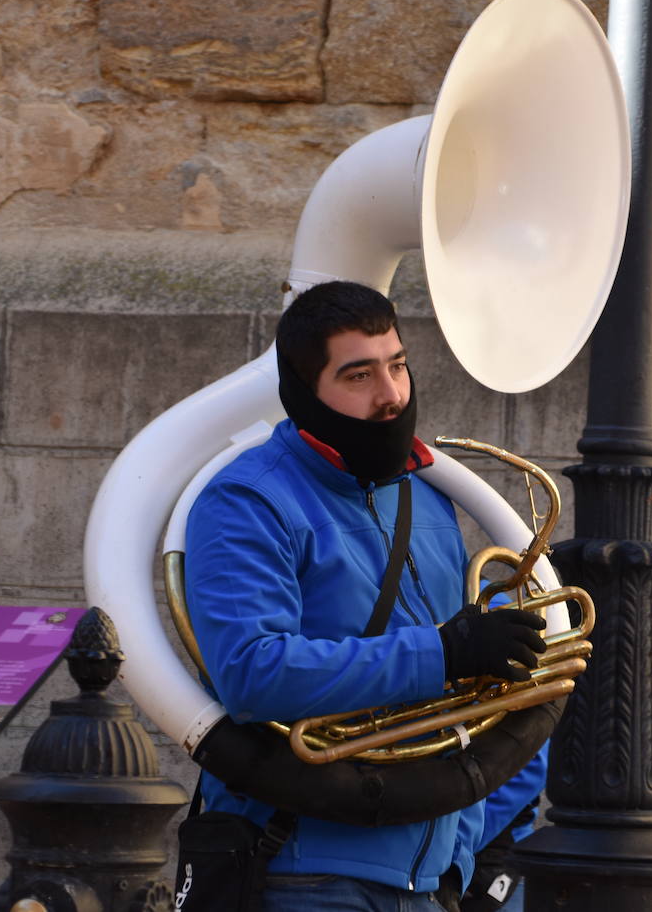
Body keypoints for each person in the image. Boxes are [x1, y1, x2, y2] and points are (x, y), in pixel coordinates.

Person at [183, 280, 549, 912]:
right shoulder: (247, 499)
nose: (391, 396)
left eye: (398, 366)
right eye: (359, 376)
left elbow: (466, 709)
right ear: (304, 391)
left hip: (430, 883)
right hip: (301, 872)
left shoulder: (432, 496)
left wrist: (458, 864)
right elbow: (252, 671)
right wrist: (443, 651)